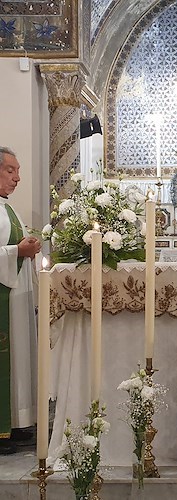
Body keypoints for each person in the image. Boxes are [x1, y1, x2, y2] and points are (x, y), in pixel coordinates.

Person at [0, 147, 40, 455]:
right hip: (4, 301)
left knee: (17, 362)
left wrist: (29, 247)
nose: (18, 178)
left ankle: (14, 424)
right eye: (11, 170)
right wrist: (18, 251)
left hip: (14, 300)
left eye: (17, 171)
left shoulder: (7, 209)